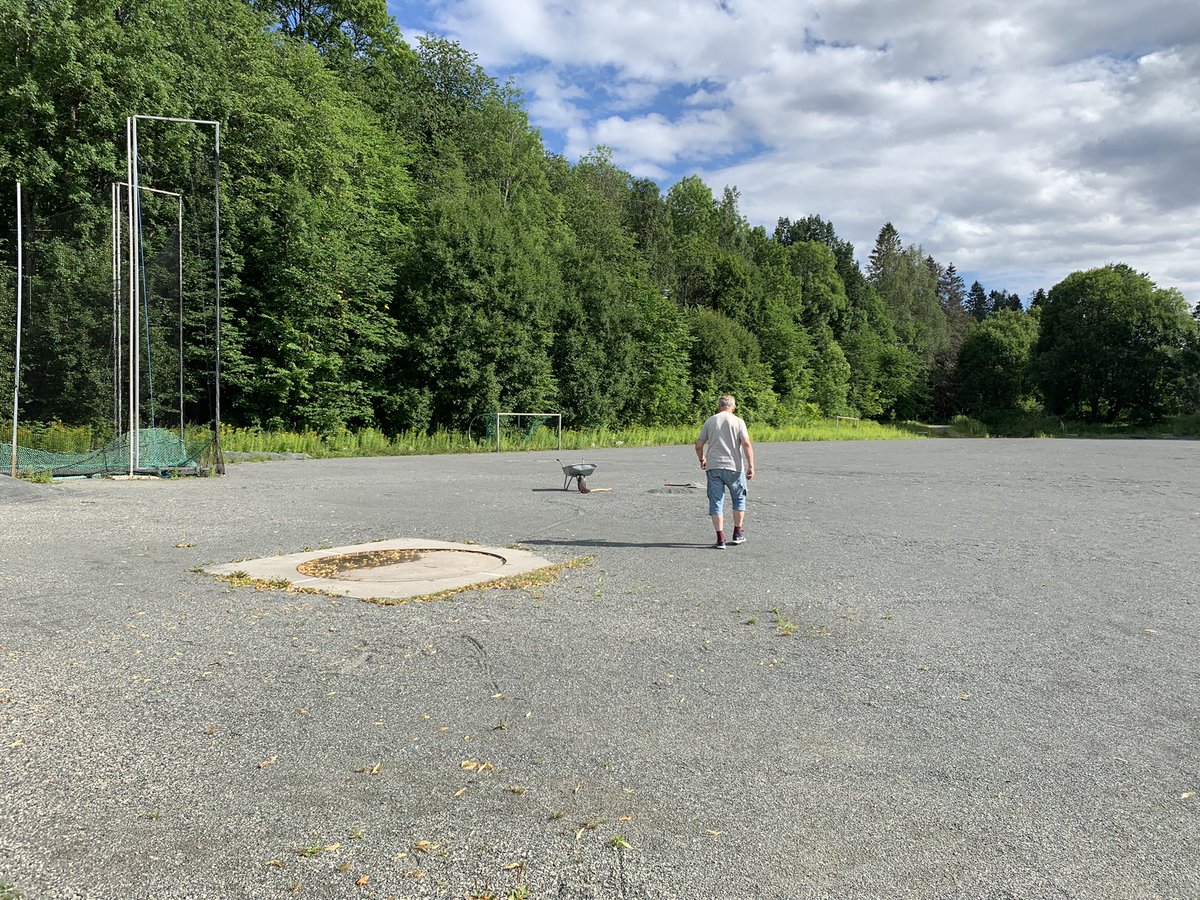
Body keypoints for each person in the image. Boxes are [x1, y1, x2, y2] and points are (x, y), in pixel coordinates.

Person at [695, 395, 755, 549]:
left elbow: (699, 444)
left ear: (719, 406)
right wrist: (751, 466)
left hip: (714, 466)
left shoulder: (710, 421)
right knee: (739, 499)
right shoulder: (738, 421)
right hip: (734, 467)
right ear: (733, 407)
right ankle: (737, 533)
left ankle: (720, 538)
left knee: (716, 501)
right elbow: (746, 444)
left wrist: (702, 459)